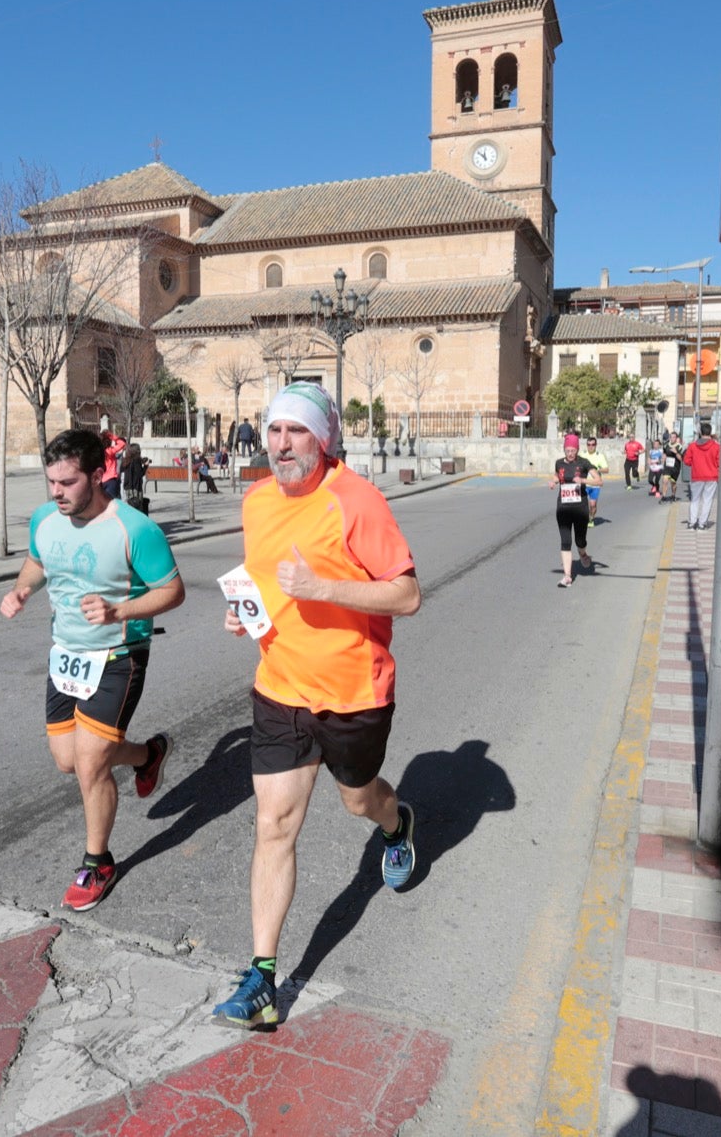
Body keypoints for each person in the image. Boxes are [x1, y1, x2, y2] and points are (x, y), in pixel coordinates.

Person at [214, 382, 421, 1029]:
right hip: (280, 687)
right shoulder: (254, 500)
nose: (281, 443)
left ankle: (397, 823)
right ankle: (262, 977)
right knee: (274, 823)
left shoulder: (356, 501)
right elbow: (263, 577)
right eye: (273, 430)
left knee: (359, 799)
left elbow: (408, 594)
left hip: (354, 693)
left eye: (296, 431)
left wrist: (322, 586)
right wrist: (245, 613)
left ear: (323, 438)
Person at [0, 428, 187, 912]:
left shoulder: (135, 529)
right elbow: (37, 561)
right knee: (68, 759)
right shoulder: (45, 518)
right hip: (66, 653)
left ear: (99, 474)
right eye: (51, 482)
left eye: (68, 482)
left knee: (91, 762)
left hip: (118, 655)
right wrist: (22, 590)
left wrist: (119, 611)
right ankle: (146, 756)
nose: (57, 492)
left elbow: (173, 592)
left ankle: (97, 861)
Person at [550, 433, 598, 588]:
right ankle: (567, 576)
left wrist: (583, 480)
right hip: (563, 508)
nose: (570, 454)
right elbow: (558, 475)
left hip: (580, 509)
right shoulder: (559, 463)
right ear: (564, 449)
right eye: (567, 450)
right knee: (565, 542)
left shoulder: (584, 463)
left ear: (577, 450)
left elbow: (599, 481)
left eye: (573, 450)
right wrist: (553, 481)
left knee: (580, 541)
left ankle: (583, 553)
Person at [683, 423, 721, 529]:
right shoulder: (716, 446)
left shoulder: (692, 446)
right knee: (707, 500)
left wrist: (695, 464)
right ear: (710, 432)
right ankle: (702, 523)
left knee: (695, 499)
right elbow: (720, 463)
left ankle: (692, 523)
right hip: (712, 477)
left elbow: (686, 461)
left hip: (697, 476)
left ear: (700, 432)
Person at [582, 436, 609, 520]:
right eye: (589, 444)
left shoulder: (600, 456)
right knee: (582, 504)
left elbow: (606, 469)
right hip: (584, 484)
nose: (591, 446)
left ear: (596, 445)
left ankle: (591, 517)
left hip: (595, 485)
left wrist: (597, 470)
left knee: (593, 505)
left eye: (593, 444)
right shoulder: (582, 454)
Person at [100, 432, 126, 501]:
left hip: (100, 480)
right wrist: (112, 436)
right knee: (111, 502)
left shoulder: (97, 452)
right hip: (111, 479)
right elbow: (122, 443)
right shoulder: (109, 451)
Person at [661, 435, 683, 504]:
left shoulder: (679, 446)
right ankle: (663, 496)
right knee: (665, 480)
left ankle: (673, 495)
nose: (672, 438)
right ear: (670, 438)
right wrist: (663, 458)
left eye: (674, 437)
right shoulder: (666, 445)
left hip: (675, 468)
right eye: (671, 437)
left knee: (673, 483)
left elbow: (681, 459)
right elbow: (664, 453)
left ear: (676, 438)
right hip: (667, 467)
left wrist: (676, 452)